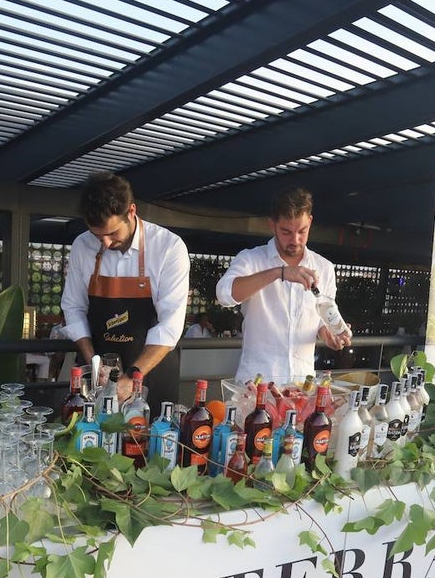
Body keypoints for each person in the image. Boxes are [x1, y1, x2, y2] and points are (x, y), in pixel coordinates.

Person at [60, 172, 189, 406]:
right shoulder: (82, 245)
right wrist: (94, 363)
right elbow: (73, 307)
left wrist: (132, 376)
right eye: (97, 235)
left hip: (151, 371)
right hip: (98, 375)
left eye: (112, 233)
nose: (106, 243)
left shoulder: (168, 247)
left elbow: (170, 325)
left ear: (131, 211)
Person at [215, 187, 350, 383]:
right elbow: (224, 294)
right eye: (286, 232)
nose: (295, 240)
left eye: (302, 231)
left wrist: (328, 334)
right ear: (272, 225)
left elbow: (321, 317)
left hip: (301, 386)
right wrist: (279, 273)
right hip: (255, 385)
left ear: (310, 222)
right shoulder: (251, 259)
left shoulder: (324, 268)